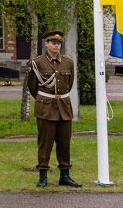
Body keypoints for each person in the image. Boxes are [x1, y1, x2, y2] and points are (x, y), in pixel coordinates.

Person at [26, 30, 81, 188]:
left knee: (64, 142)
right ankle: (43, 175)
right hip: (46, 108)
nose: (56, 46)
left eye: (58, 43)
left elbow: (68, 84)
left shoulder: (68, 62)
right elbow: (32, 87)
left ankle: (65, 175)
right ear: (46, 44)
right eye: (53, 43)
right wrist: (45, 100)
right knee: (45, 143)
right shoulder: (37, 63)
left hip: (63, 107)